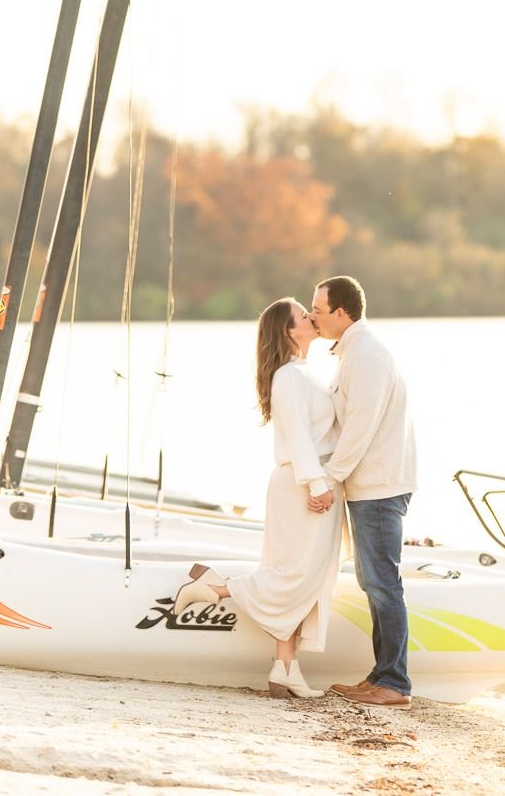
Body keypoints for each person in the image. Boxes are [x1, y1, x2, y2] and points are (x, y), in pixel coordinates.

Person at [172, 297, 343, 700]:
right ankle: (215, 588)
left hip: (311, 479)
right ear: (288, 330)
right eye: (304, 315)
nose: (312, 318)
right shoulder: (289, 376)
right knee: (293, 574)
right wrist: (316, 485)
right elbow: (299, 436)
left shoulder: (304, 372)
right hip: (302, 483)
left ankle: (285, 668)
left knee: (302, 576)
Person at [308, 274, 416, 709]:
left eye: (318, 310)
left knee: (383, 583)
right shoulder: (352, 351)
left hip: (378, 486)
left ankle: (394, 683)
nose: (312, 316)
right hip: (369, 485)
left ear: (341, 312)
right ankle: (380, 676)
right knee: (373, 582)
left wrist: (329, 477)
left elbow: (360, 425)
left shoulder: (367, 354)